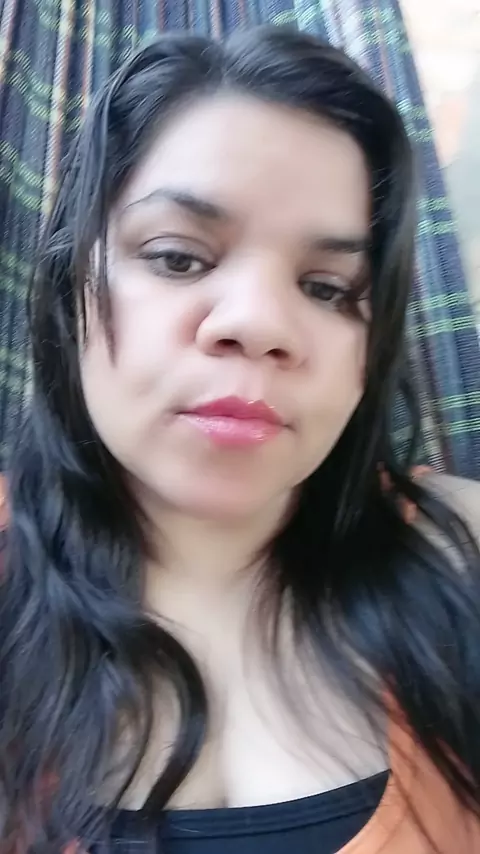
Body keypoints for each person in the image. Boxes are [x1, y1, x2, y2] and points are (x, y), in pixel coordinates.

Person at [0, 24, 479, 854]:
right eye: (178, 258)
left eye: (327, 288)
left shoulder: (463, 551)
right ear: (71, 284)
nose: (260, 323)